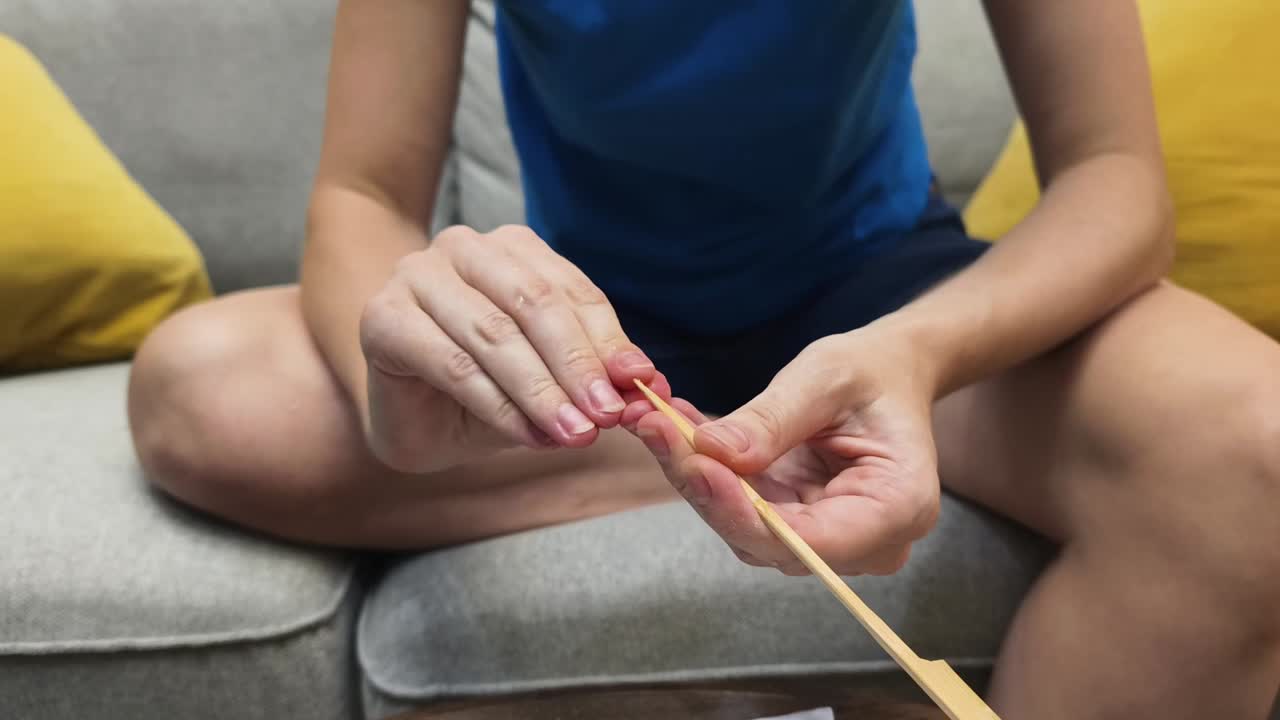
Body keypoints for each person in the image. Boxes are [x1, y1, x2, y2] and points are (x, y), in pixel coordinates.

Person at [126, 1, 1280, 717]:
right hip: (592, 340)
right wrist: (401, 389)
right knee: (201, 386)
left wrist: (915, 356)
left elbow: (1114, 182)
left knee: (1256, 449)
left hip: (882, 302)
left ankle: (770, 431)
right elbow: (362, 194)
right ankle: (738, 449)